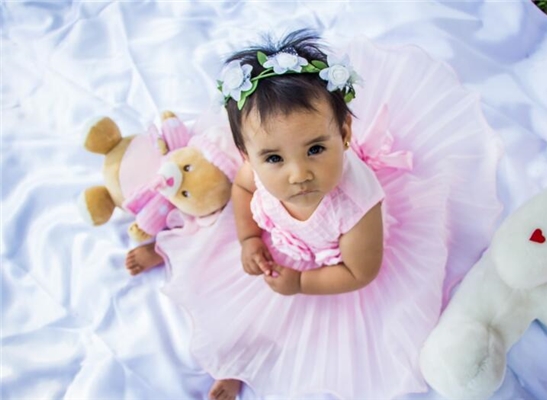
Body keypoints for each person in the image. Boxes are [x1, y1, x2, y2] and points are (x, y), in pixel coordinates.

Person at [159, 29, 502, 399]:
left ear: (344, 132)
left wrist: (301, 283)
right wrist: (248, 238)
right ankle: (236, 364)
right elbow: (243, 190)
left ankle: (256, 362)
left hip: (334, 268)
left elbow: (360, 272)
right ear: (247, 155)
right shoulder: (254, 173)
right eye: (274, 158)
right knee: (238, 312)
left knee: (304, 335)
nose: (298, 174)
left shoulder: (357, 206)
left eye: (316, 149)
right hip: (281, 249)